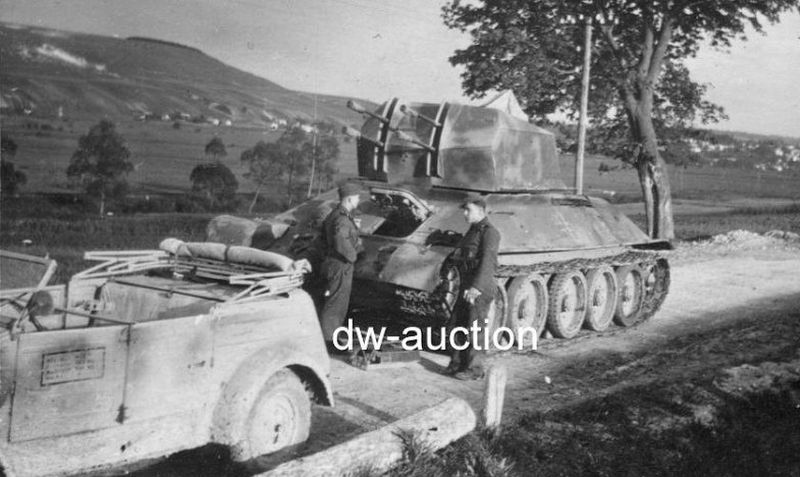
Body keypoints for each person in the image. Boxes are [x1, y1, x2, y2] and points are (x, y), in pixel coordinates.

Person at [443, 196, 500, 380]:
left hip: (479, 287)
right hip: (466, 284)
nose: (465, 214)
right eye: (464, 210)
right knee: (456, 324)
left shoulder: (489, 232)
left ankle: (475, 369)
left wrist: (476, 287)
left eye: (469, 210)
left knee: (475, 328)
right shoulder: (472, 230)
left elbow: (488, 262)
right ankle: (457, 364)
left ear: (481, 211)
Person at [318, 182, 363, 350]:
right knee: (336, 305)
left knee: (334, 302)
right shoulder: (342, 219)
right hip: (340, 266)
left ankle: (329, 338)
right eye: (357, 197)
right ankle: (329, 342)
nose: (358, 200)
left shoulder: (335, 214)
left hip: (333, 263)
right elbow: (340, 240)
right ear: (349, 199)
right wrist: (353, 256)